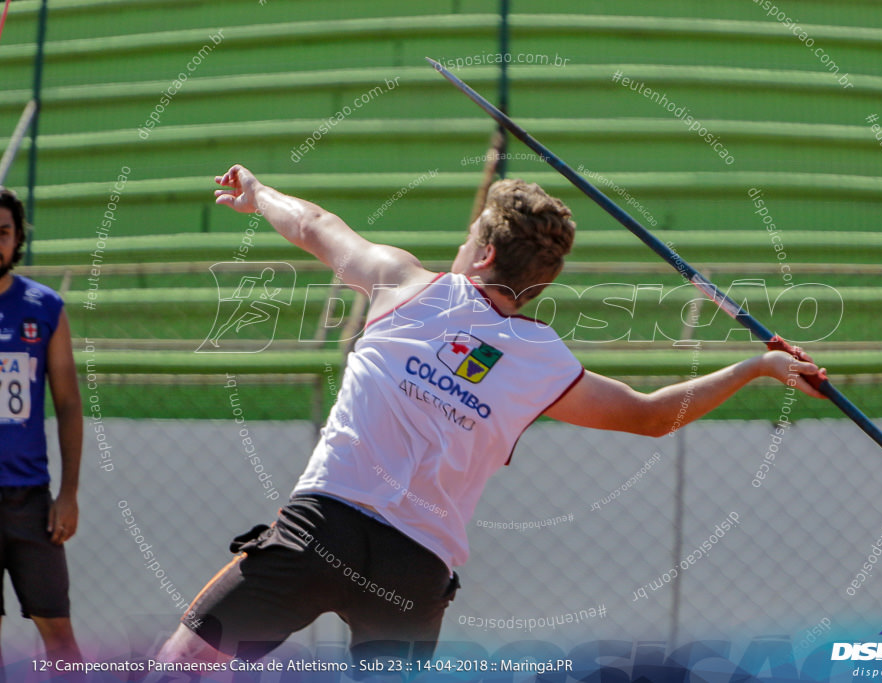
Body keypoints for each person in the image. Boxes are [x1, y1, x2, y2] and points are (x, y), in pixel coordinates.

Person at [157, 164, 824, 668]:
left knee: (180, 668)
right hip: (413, 572)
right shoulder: (543, 361)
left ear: (482, 253)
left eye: (472, 230)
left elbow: (313, 226)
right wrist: (755, 368)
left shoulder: (403, 284)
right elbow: (651, 416)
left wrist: (257, 191)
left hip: (323, 530)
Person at [0, 188, 83, 666]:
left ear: (17, 239)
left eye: (4, 232)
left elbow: (68, 403)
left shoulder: (44, 307)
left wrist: (68, 493)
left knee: (60, 639)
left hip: (30, 501)